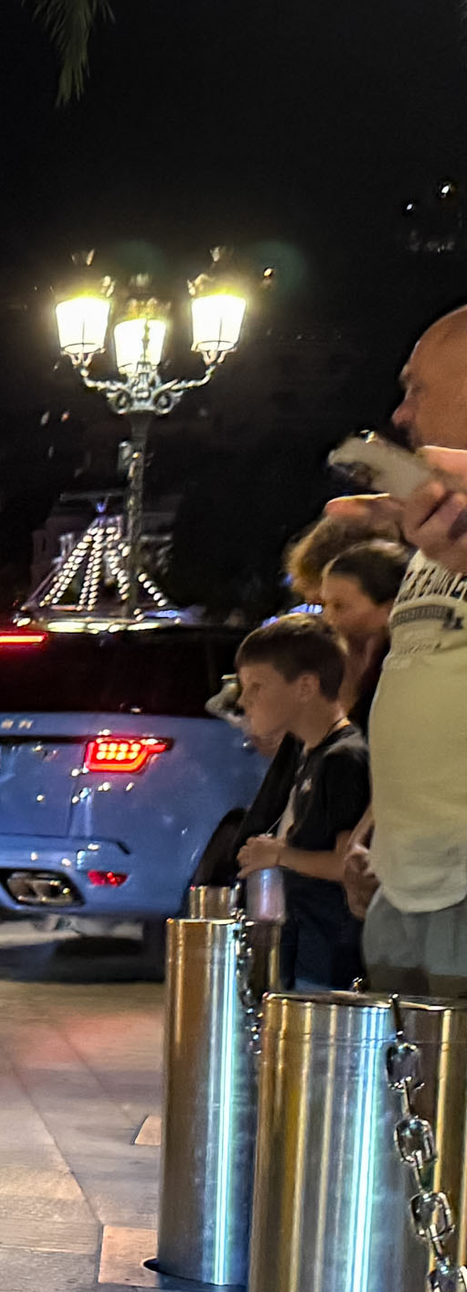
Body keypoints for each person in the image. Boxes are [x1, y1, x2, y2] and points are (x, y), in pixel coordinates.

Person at [325, 303, 467, 994]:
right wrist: (372, 832)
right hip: (406, 889)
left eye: (418, 389)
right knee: (406, 1099)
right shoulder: (435, 540)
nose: (402, 416)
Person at [231, 615, 370, 990]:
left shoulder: (344, 759)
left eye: (257, 686)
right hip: (302, 944)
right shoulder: (310, 753)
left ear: (306, 686)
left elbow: (347, 863)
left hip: (328, 954)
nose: (245, 700)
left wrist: (277, 854)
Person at [319, 540, 405, 733]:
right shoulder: (336, 666)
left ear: (389, 608)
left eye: (340, 606)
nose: (328, 619)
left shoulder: (403, 677)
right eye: (324, 605)